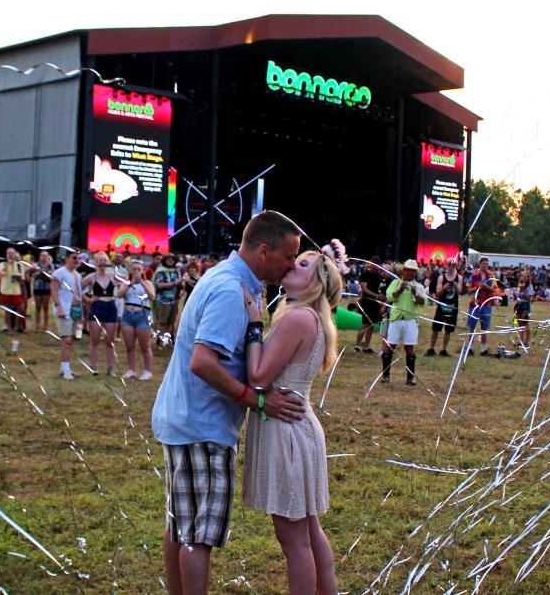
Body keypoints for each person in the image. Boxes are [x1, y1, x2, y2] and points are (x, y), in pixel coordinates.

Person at [151, 210, 306, 595]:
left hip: (188, 420)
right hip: (201, 426)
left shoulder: (234, 280)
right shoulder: (228, 290)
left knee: (181, 525)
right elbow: (202, 362)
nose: (291, 264)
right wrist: (256, 400)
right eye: (289, 256)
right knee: (198, 535)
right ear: (264, 250)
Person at [242, 249, 343, 594]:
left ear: (315, 283)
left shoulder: (298, 318)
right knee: (309, 532)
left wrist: (254, 324)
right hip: (297, 425)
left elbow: (257, 377)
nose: (292, 264)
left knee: (294, 539)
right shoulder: (309, 316)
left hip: (287, 429)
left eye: (303, 264)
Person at [382, 259, 426, 385]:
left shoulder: (419, 286)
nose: (410, 273)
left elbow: (423, 302)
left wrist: (415, 293)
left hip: (410, 320)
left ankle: (410, 377)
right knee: (390, 346)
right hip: (396, 319)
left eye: (413, 271)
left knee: (409, 348)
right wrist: (400, 289)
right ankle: (385, 375)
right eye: (408, 271)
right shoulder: (396, 283)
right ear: (404, 271)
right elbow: (390, 297)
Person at [80, 252, 119, 376]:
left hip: (110, 307)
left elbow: (126, 282)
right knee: (94, 340)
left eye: (105, 260)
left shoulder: (113, 276)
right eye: (100, 260)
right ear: (96, 262)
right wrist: (87, 300)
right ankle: (93, 367)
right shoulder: (91, 277)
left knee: (110, 341)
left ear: (108, 262)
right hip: (97, 307)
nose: (102, 262)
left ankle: (110, 368)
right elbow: (76, 287)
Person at [117, 260, 156, 380]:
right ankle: (131, 370)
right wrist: (131, 283)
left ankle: (148, 371)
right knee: (130, 346)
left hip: (142, 314)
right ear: (130, 271)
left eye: (139, 269)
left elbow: (152, 297)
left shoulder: (148, 283)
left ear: (143, 270)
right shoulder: (126, 283)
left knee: (145, 346)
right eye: (134, 269)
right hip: (128, 315)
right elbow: (119, 294)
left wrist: (142, 283)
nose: (136, 271)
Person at [51, 250, 83, 380]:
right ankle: (66, 371)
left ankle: (64, 368)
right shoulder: (59, 273)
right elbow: (53, 290)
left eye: (78, 258)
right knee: (67, 340)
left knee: (71, 340)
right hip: (64, 309)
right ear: (67, 258)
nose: (76, 260)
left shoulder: (78, 275)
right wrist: (58, 307)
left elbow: (78, 293)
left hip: (75, 310)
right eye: (74, 257)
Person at [425, 259, 465, 357]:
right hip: (442, 306)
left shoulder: (459, 278)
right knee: (436, 328)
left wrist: (456, 286)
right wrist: (444, 288)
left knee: (448, 329)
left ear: (456, 266)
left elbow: (461, 292)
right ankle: (431, 348)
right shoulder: (441, 277)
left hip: (453, 306)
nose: (451, 267)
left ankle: (443, 350)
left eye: (453, 265)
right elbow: (438, 293)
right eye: (450, 265)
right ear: (446, 265)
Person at [464, 257, 497, 356]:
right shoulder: (474, 275)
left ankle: (484, 349)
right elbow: (468, 290)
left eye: (487, 264)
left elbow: (495, 290)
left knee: (484, 328)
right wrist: (477, 287)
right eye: (483, 263)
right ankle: (470, 348)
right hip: (474, 304)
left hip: (486, 304)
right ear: (479, 264)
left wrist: (486, 287)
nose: (485, 265)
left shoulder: (491, 275)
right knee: (472, 326)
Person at [355, 256, 385, 354]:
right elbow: (364, 289)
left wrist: (381, 296)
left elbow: (380, 287)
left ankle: (367, 346)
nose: (375, 266)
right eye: (373, 264)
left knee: (371, 325)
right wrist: (376, 295)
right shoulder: (365, 275)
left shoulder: (379, 275)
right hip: (367, 302)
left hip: (376, 303)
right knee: (365, 324)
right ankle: (357, 345)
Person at [154, 253, 185, 345]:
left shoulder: (176, 271)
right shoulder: (161, 271)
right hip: (163, 301)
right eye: (168, 259)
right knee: (162, 321)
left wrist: (182, 284)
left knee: (170, 322)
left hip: (174, 301)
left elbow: (180, 284)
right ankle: (160, 340)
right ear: (165, 261)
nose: (171, 261)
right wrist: (176, 283)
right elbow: (160, 285)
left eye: (172, 259)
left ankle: (165, 339)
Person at [0, 248, 26, 333]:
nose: (10, 255)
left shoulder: (19, 265)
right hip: (6, 290)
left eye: (12, 253)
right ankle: (9, 328)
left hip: (16, 291)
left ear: (15, 254)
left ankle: (18, 326)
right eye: (8, 253)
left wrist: (18, 278)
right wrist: (7, 265)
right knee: (8, 310)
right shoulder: (2, 264)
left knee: (20, 308)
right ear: (6, 255)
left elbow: (22, 280)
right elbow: (1, 273)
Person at [28, 250, 56, 332]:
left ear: (48, 257)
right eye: (42, 256)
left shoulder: (50, 266)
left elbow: (52, 278)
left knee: (46, 308)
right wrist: (36, 273)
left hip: (46, 289)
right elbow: (30, 275)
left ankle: (46, 326)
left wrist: (45, 274)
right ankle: (37, 325)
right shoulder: (35, 265)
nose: (44, 258)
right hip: (37, 288)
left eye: (45, 256)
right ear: (40, 257)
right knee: (38, 307)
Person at [513, 269, 534, 348]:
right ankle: (520, 341)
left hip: (525, 306)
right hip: (518, 305)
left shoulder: (529, 286)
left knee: (525, 324)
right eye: (523, 276)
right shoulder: (519, 285)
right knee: (519, 324)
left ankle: (526, 341)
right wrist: (515, 293)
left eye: (526, 276)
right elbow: (516, 297)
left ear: (528, 278)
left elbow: (529, 298)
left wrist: (523, 289)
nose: (524, 278)